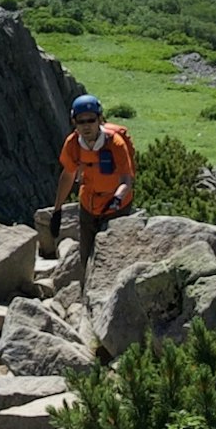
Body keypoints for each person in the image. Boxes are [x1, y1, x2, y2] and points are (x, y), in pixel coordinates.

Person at [56, 98, 138, 292]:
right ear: (74, 122)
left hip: (116, 207)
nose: (86, 126)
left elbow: (127, 180)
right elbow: (68, 175)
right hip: (88, 205)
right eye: (81, 121)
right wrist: (58, 208)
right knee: (86, 254)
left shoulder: (115, 143)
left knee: (114, 255)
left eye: (91, 120)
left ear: (100, 119)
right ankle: (87, 296)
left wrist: (117, 199)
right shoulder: (73, 144)